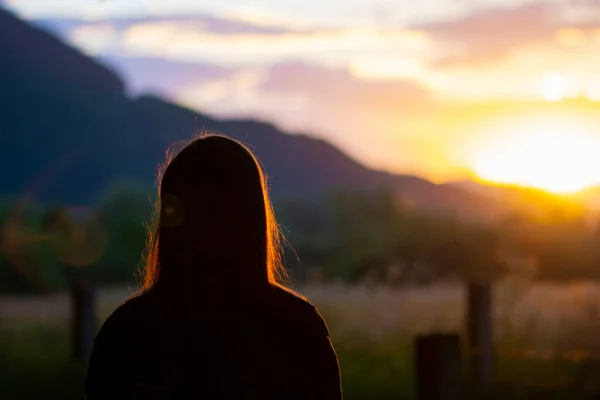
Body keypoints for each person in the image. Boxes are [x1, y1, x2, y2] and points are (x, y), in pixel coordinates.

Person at [84, 134, 343, 399]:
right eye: (186, 209)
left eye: (211, 210)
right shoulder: (297, 329)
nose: (198, 227)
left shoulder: (128, 331)